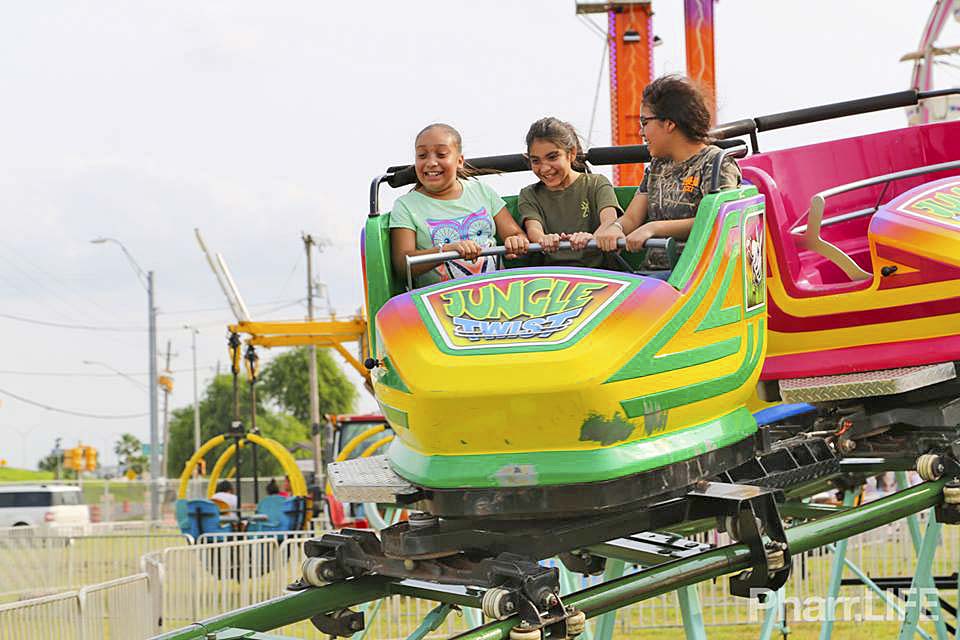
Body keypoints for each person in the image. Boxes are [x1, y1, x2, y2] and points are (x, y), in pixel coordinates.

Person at [595, 75, 742, 270]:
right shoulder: (657, 166)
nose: (641, 132)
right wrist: (615, 228)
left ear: (669, 124)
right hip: (654, 275)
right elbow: (631, 218)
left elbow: (718, 219)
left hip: (697, 274)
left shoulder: (716, 164)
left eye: (644, 122)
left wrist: (653, 228)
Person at [390, 123, 529, 288]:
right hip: (441, 303)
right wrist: (446, 251)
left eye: (441, 155)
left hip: (496, 293)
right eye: (422, 155)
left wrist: (516, 241)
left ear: (459, 161)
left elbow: (515, 233)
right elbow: (402, 264)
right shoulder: (406, 206)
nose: (431, 162)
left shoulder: (481, 191)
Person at [518, 117, 622, 267]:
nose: (545, 168)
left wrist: (591, 238)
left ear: (571, 153)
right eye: (536, 161)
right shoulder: (529, 194)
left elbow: (609, 222)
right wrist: (544, 239)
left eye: (552, 157)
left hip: (600, 274)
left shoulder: (596, 183)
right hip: (554, 278)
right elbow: (534, 229)